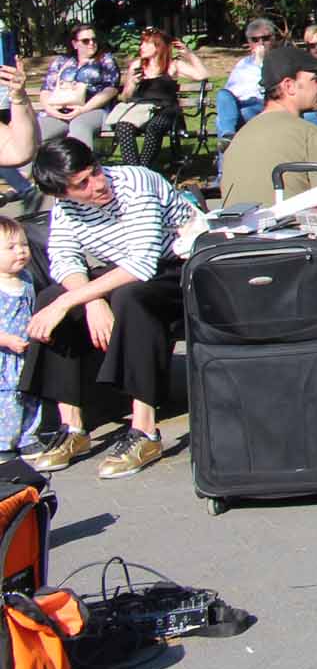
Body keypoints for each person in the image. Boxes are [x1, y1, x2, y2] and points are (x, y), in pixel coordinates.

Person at [21, 138, 201, 478]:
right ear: (62, 194)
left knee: (130, 298)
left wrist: (75, 299)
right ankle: (72, 427)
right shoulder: (65, 208)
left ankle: (145, 430)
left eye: (96, 172)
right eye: (82, 185)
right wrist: (89, 301)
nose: (98, 185)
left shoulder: (136, 183)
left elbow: (142, 264)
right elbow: (63, 259)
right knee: (50, 300)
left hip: (180, 267)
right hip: (125, 271)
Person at [218, 44, 317, 208]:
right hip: (294, 230)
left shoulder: (238, 138)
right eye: (316, 79)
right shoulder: (309, 134)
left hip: (237, 231)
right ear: (289, 86)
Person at [109, 28, 209, 167]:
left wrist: (189, 55)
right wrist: (132, 82)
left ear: (159, 46)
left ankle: (143, 170)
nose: (141, 47)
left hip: (166, 111)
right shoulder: (137, 65)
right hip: (140, 111)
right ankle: (132, 169)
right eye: (142, 43)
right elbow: (126, 97)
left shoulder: (173, 65)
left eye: (146, 43)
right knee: (123, 126)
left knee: (154, 127)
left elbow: (202, 75)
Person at [38, 25, 119, 149]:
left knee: (79, 125)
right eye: (85, 41)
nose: (91, 43)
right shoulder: (62, 61)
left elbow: (111, 90)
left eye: (94, 39)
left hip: (93, 110)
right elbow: (46, 90)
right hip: (60, 112)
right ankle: (31, 168)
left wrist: (83, 110)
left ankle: (84, 166)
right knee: (38, 130)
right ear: (75, 44)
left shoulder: (105, 60)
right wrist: (51, 111)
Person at [0, 219, 38, 457]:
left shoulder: (27, 278)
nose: (21, 251)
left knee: (30, 396)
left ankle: (28, 436)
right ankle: (4, 442)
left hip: (25, 352)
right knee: (6, 401)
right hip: (4, 356)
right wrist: (5, 340)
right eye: (11, 247)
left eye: (24, 245)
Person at [214, 17, 279, 142]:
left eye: (265, 39)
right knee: (223, 95)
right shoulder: (243, 63)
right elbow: (230, 91)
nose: (260, 43)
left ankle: (226, 145)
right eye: (255, 40)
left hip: (263, 104)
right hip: (240, 103)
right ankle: (227, 136)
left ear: (273, 39)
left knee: (224, 120)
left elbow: (267, 89)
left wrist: (260, 63)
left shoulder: (280, 61)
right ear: (249, 43)